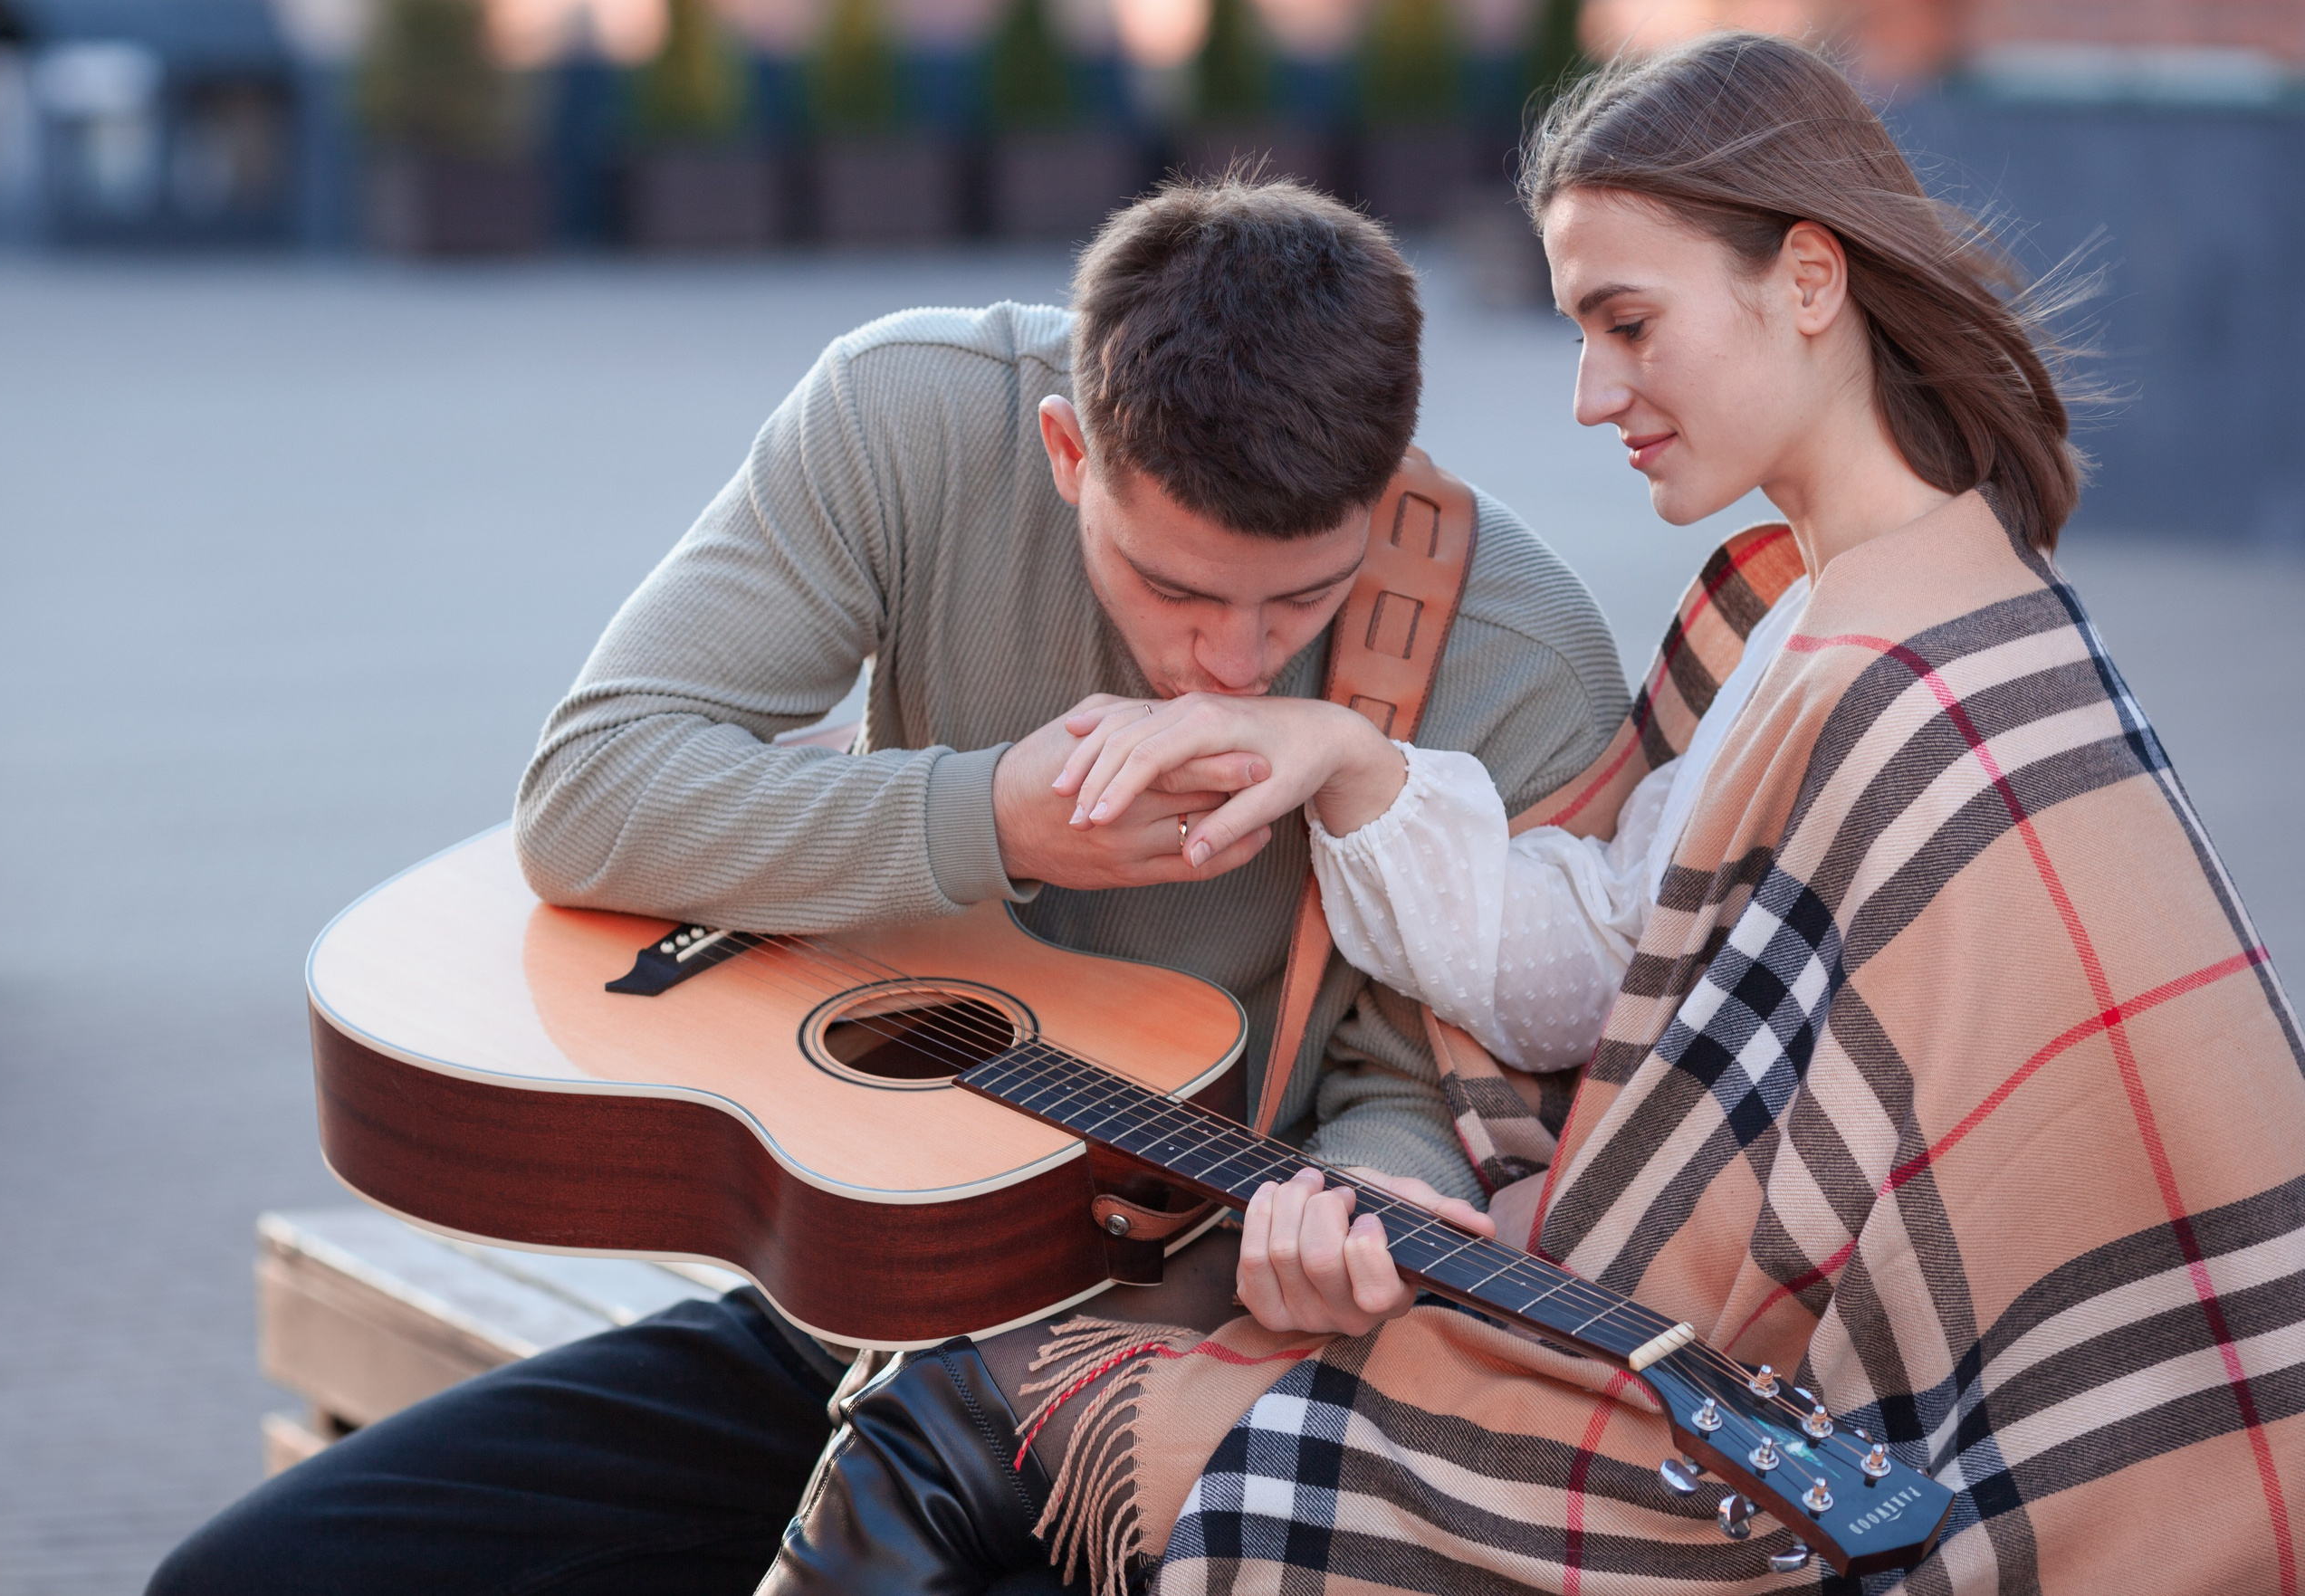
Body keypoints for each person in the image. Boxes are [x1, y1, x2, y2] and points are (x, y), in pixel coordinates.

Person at [772, 32, 2305, 1596]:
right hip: (1844, 1385)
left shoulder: (1888, 653)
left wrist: (1497, 1231)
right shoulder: (1878, 601)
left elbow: (1748, 1116)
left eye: (1628, 323)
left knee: (980, 1413)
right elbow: (1626, 968)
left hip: (1859, 1449)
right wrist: (1341, 750)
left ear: (1810, 281)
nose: (1589, 395)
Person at [147, 178, 1628, 1595]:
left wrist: (1387, 1200)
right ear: (1066, 454)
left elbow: (1427, 1076)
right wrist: (989, 817)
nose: (1229, 667)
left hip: (1191, 1389)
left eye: (1300, 599)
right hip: (870, 1298)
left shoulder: (1515, 652)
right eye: (1172, 589)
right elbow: (590, 790)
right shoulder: (914, 420)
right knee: (250, 1577)